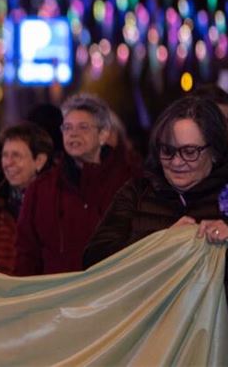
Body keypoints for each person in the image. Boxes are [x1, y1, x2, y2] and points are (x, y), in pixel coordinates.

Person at [84, 96, 228, 366]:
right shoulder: (137, 193)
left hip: (225, 349)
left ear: (213, 151)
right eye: (168, 150)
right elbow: (95, 259)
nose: (177, 161)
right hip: (149, 348)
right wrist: (161, 243)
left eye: (189, 151)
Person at [15, 93, 139, 275]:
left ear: (103, 134)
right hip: (56, 297)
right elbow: (26, 253)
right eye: (67, 127)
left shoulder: (129, 182)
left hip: (112, 295)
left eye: (83, 127)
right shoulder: (41, 188)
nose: (73, 133)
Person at [0, 123, 52, 274]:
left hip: (42, 292)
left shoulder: (55, 202)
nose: (8, 163)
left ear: (39, 161)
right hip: (0, 293)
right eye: (5, 155)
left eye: (16, 156)